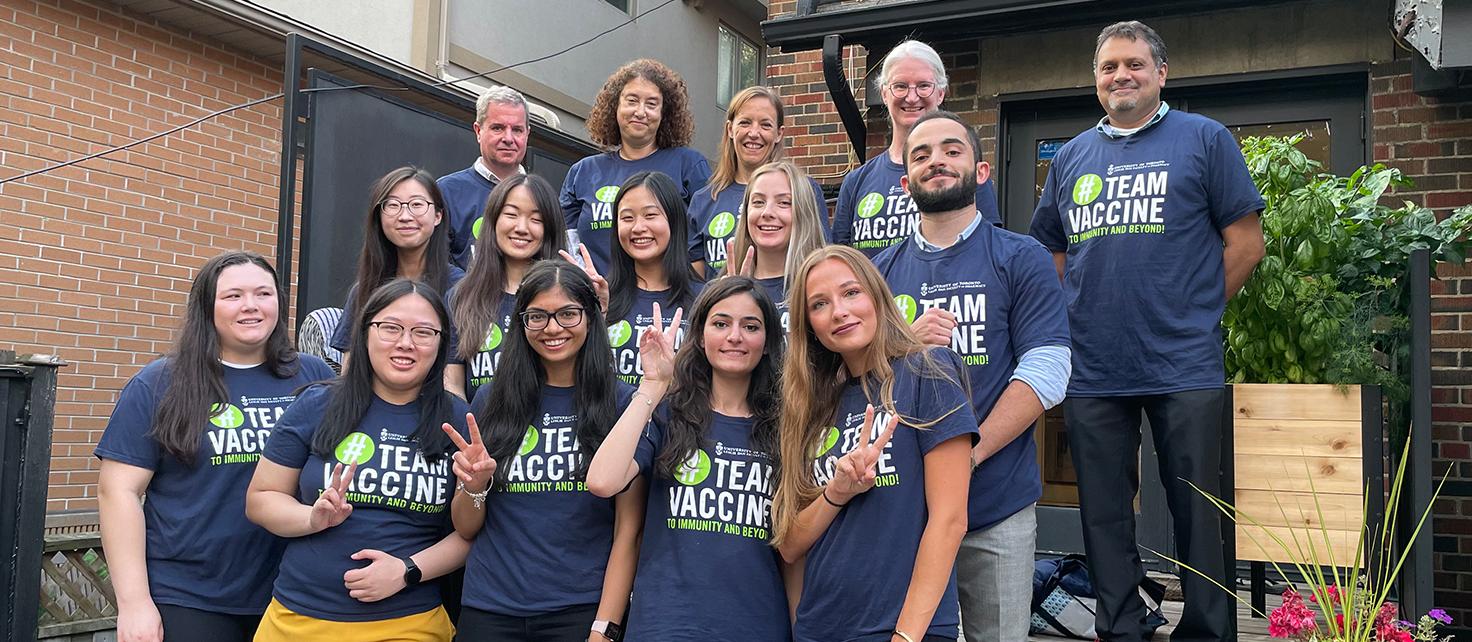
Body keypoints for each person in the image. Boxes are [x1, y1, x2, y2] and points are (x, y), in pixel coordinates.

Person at [1028, 21, 1266, 642]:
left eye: (1134, 64)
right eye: (1108, 67)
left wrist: (1195, 312)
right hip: (1094, 367)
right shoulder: (1074, 155)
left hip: (1183, 361)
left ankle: (1209, 630)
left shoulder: (1205, 139)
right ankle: (1122, 625)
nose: (1120, 76)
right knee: (1104, 511)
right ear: (1096, 80)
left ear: (1162, 73)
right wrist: (1070, 319)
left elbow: (1245, 244)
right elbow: (1050, 252)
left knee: (1197, 508)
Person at [873, 110, 1071, 642]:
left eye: (951, 150)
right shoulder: (877, 272)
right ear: (905, 181)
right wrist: (901, 344)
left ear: (981, 171)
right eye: (921, 154)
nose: (936, 160)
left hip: (996, 504)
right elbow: (854, 375)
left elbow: (1048, 370)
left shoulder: (1020, 256)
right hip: (903, 505)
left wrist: (968, 453)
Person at [96, 251, 335, 642]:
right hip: (190, 594)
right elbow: (118, 491)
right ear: (206, 307)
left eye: (263, 293)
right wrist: (135, 603)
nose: (251, 306)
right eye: (233, 296)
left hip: (293, 592)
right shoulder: (160, 383)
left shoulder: (314, 376)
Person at [247, 278, 472, 641]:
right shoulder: (316, 404)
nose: (405, 343)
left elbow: (470, 533)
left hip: (408, 623)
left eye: (424, 332)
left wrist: (407, 570)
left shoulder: (457, 420)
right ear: (365, 333)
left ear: (442, 344)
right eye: (390, 328)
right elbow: (260, 499)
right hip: (296, 620)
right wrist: (312, 517)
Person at [771, 245, 976, 642]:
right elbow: (791, 545)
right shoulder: (813, 407)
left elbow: (950, 520)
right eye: (819, 304)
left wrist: (907, 636)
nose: (839, 311)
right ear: (809, 324)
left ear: (878, 297)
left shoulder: (928, 370)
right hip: (820, 627)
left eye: (851, 292)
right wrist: (837, 491)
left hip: (903, 628)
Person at [444, 260, 642, 642]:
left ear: (591, 317)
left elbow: (627, 531)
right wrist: (474, 486)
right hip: (490, 608)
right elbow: (466, 525)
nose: (553, 328)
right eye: (537, 316)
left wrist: (605, 627)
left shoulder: (621, 404)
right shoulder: (491, 401)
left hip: (579, 609)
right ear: (520, 323)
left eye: (568, 313)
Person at [586, 277, 790, 641]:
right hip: (666, 625)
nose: (735, 336)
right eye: (721, 323)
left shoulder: (784, 428)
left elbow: (793, 554)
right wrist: (652, 385)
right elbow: (602, 481)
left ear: (768, 341)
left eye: (751, 326)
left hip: (756, 624)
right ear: (699, 336)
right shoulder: (667, 415)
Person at [831, 40, 1001, 257]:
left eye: (923, 86)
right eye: (900, 86)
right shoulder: (857, 182)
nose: (912, 97)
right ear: (884, 94)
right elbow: (842, 260)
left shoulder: (964, 171)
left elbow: (989, 249)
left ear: (940, 93)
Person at [561, 59, 711, 273]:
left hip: (670, 300)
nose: (640, 112)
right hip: (597, 300)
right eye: (632, 101)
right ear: (615, 106)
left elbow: (706, 244)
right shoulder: (583, 172)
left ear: (664, 114)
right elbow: (565, 242)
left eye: (652, 104)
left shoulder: (688, 165)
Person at [446, 174, 567, 401]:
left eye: (536, 219)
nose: (522, 228)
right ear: (492, 221)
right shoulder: (460, 297)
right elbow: (452, 385)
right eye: (511, 215)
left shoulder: (568, 297)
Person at [689, 86, 828, 276]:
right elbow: (696, 283)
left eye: (765, 125)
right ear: (730, 129)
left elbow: (821, 261)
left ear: (779, 134)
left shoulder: (804, 190)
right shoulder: (703, 201)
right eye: (745, 123)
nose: (754, 133)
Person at [330, 167, 464, 360]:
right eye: (393, 205)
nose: (405, 216)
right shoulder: (364, 290)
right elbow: (351, 370)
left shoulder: (460, 288)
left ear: (437, 216)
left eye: (417, 204)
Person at [600, 171, 703, 386]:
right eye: (627, 218)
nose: (638, 228)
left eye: (650, 215)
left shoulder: (703, 299)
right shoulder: (602, 298)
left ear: (674, 221)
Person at [723, 160, 829, 334]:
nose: (767, 213)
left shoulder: (821, 287)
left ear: (803, 212)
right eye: (758, 202)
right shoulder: (722, 288)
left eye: (784, 203)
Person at [439, 85, 531, 270]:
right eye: (498, 128)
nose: (508, 138)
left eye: (517, 130)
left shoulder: (542, 197)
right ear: (478, 131)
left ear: (527, 134)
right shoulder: (445, 192)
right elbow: (435, 264)